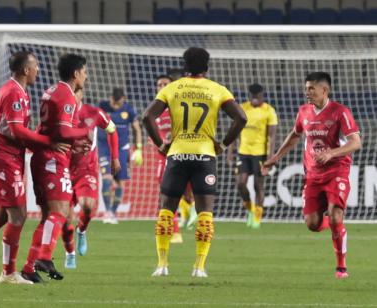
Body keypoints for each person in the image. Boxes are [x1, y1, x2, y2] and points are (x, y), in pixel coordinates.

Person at [0, 51, 69, 284]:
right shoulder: (13, 93)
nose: (38, 69)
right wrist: (47, 142)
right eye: (35, 66)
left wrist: (35, 140)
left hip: (9, 159)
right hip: (3, 161)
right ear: (26, 70)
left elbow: (10, 129)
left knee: (0, 215)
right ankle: (8, 273)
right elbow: (15, 130)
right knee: (18, 215)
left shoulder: (18, 91)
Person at [143, 47, 246, 278]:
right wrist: (223, 144)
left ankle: (162, 264)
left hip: (177, 155)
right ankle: (199, 267)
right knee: (205, 213)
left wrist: (161, 145)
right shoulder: (217, 89)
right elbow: (241, 117)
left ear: (184, 66)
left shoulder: (172, 88)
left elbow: (147, 116)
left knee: (166, 211)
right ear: (207, 67)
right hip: (205, 156)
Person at [262, 72, 361, 279]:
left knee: (335, 215)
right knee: (312, 224)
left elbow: (356, 142)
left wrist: (331, 153)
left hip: (337, 171)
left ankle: (341, 267)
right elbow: (295, 135)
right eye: (306, 88)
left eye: (311, 89)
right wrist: (275, 157)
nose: (307, 92)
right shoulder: (304, 112)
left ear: (324, 90)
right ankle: (335, 226)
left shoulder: (340, 112)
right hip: (313, 175)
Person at [22, 53, 91, 281]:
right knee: (59, 213)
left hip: (43, 157)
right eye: (84, 71)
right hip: (52, 158)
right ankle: (43, 257)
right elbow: (62, 131)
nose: (86, 76)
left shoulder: (52, 90)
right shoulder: (67, 95)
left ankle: (29, 268)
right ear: (75, 73)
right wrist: (84, 131)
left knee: (47, 217)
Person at [61, 87, 120, 269]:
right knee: (65, 218)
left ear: (81, 94)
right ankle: (69, 253)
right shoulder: (60, 114)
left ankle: (82, 230)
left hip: (87, 169)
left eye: (76, 92)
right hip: (63, 169)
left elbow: (112, 130)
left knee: (87, 206)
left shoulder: (94, 113)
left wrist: (115, 157)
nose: (73, 95)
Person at [227, 83, 278, 229]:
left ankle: (257, 215)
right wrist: (230, 153)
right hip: (243, 153)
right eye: (252, 96)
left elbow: (272, 137)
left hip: (260, 154)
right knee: (240, 183)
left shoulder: (269, 111)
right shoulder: (242, 108)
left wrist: (270, 158)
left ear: (262, 96)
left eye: (257, 96)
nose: (254, 99)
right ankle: (250, 210)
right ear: (249, 95)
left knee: (258, 185)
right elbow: (234, 131)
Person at [153, 74, 197, 244]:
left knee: (187, 195)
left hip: (182, 154)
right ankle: (175, 231)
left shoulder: (180, 107)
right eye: (159, 84)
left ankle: (190, 208)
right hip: (163, 157)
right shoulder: (155, 110)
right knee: (166, 193)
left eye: (165, 84)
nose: (161, 86)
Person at [98, 88, 142, 224]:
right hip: (105, 148)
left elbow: (137, 129)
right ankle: (107, 212)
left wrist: (138, 148)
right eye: (114, 103)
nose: (116, 106)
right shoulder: (102, 107)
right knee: (106, 179)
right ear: (110, 98)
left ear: (123, 99)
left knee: (119, 183)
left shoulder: (129, 109)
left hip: (122, 149)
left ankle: (113, 213)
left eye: (118, 103)